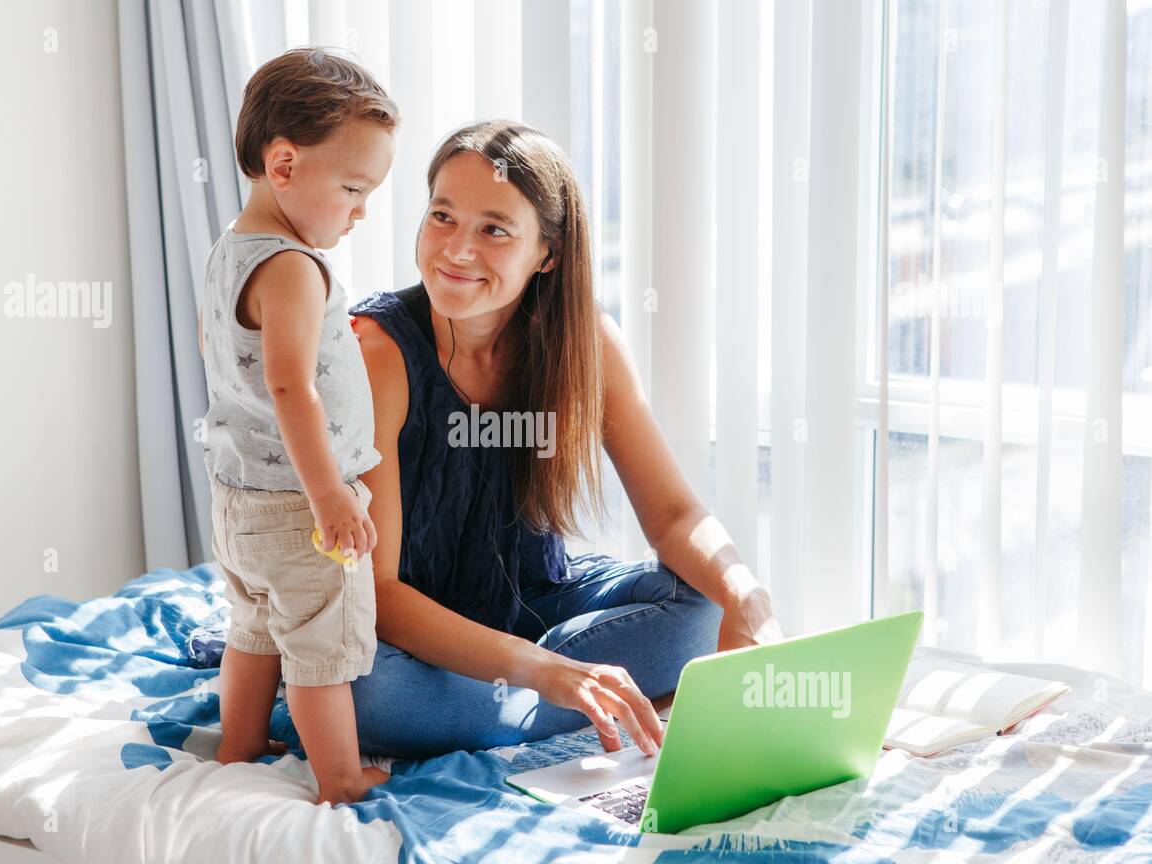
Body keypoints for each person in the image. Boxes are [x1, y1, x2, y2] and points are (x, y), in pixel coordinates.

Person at [326, 119, 786, 761]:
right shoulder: (378, 352)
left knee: (704, 605)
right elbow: (377, 593)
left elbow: (676, 515)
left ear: (547, 252)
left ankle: (523, 699)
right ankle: (568, 692)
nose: (456, 250)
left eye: (494, 229)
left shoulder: (585, 342)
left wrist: (749, 598)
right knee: (371, 694)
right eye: (442, 217)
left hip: (529, 600)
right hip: (411, 635)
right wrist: (548, 671)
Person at [197, 48, 397, 805]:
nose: (360, 210)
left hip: (239, 495)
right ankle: (340, 778)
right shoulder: (291, 267)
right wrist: (331, 497)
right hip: (298, 502)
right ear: (283, 165)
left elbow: (218, 349)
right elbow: (289, 385)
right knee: (322, 644)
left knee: (252, 628)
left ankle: (241, 744)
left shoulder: (231, 251)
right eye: (352, 188)